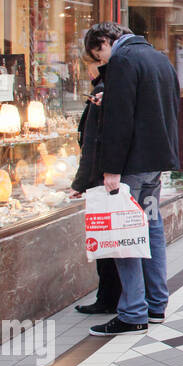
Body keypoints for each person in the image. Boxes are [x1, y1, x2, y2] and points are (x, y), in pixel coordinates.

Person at [83, 21, 180, 336]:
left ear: (106, 41)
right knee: (151, 228)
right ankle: (155, 306)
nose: (102, 63)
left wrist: (111, 168)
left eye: (99, 55)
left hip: (132, 168)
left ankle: (133, 312)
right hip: (154, 165)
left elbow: (120, 119)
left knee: (124, 234)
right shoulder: (158, 57)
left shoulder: (124, 60)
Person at [71, 59, 122, 316]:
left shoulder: (101, 91)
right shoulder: (113, 87)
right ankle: (114, 296)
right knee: (112, 242)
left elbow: (92, 141)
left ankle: (108, 299)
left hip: (101, 179)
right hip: (109, 176)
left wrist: (80, 182)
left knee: (106, 242)